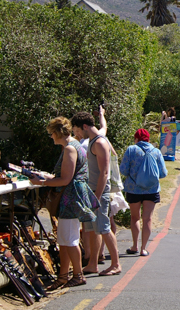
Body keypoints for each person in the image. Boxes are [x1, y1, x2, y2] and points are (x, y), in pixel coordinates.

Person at [30, 117, 99, 290]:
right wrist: (47, 177)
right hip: (72, 197)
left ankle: (77, 275)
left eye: (51, 134)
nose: (51, 137)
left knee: (70, 238)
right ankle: (63, 275)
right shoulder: (73, 145)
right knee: (64, 239)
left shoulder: (69, 149)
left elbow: (65, 179)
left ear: (57, 133)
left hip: (70, 199)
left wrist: (42, 182)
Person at [70, 112, 122, 276]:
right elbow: (103, 125)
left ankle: (115, 264)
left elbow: (104, 173)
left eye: (77, 130)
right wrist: (102, 114)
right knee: (92, 229)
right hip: (91, 192)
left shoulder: (98, 142)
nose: (76, 134)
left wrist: (97, 197)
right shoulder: (94, 139)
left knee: (104, 228)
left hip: (98, 193)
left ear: (84, 126)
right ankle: (92, 263)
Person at [120, 129, 167, 257]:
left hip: (133, 189)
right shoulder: (156, 152)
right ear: (148, 139)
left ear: (136, 139)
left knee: (135, 218)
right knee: (148, 219)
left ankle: (134, 246)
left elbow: (123, 170)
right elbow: (163, 173)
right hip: (151, 190)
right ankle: (143, 249)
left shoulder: (131, 150)